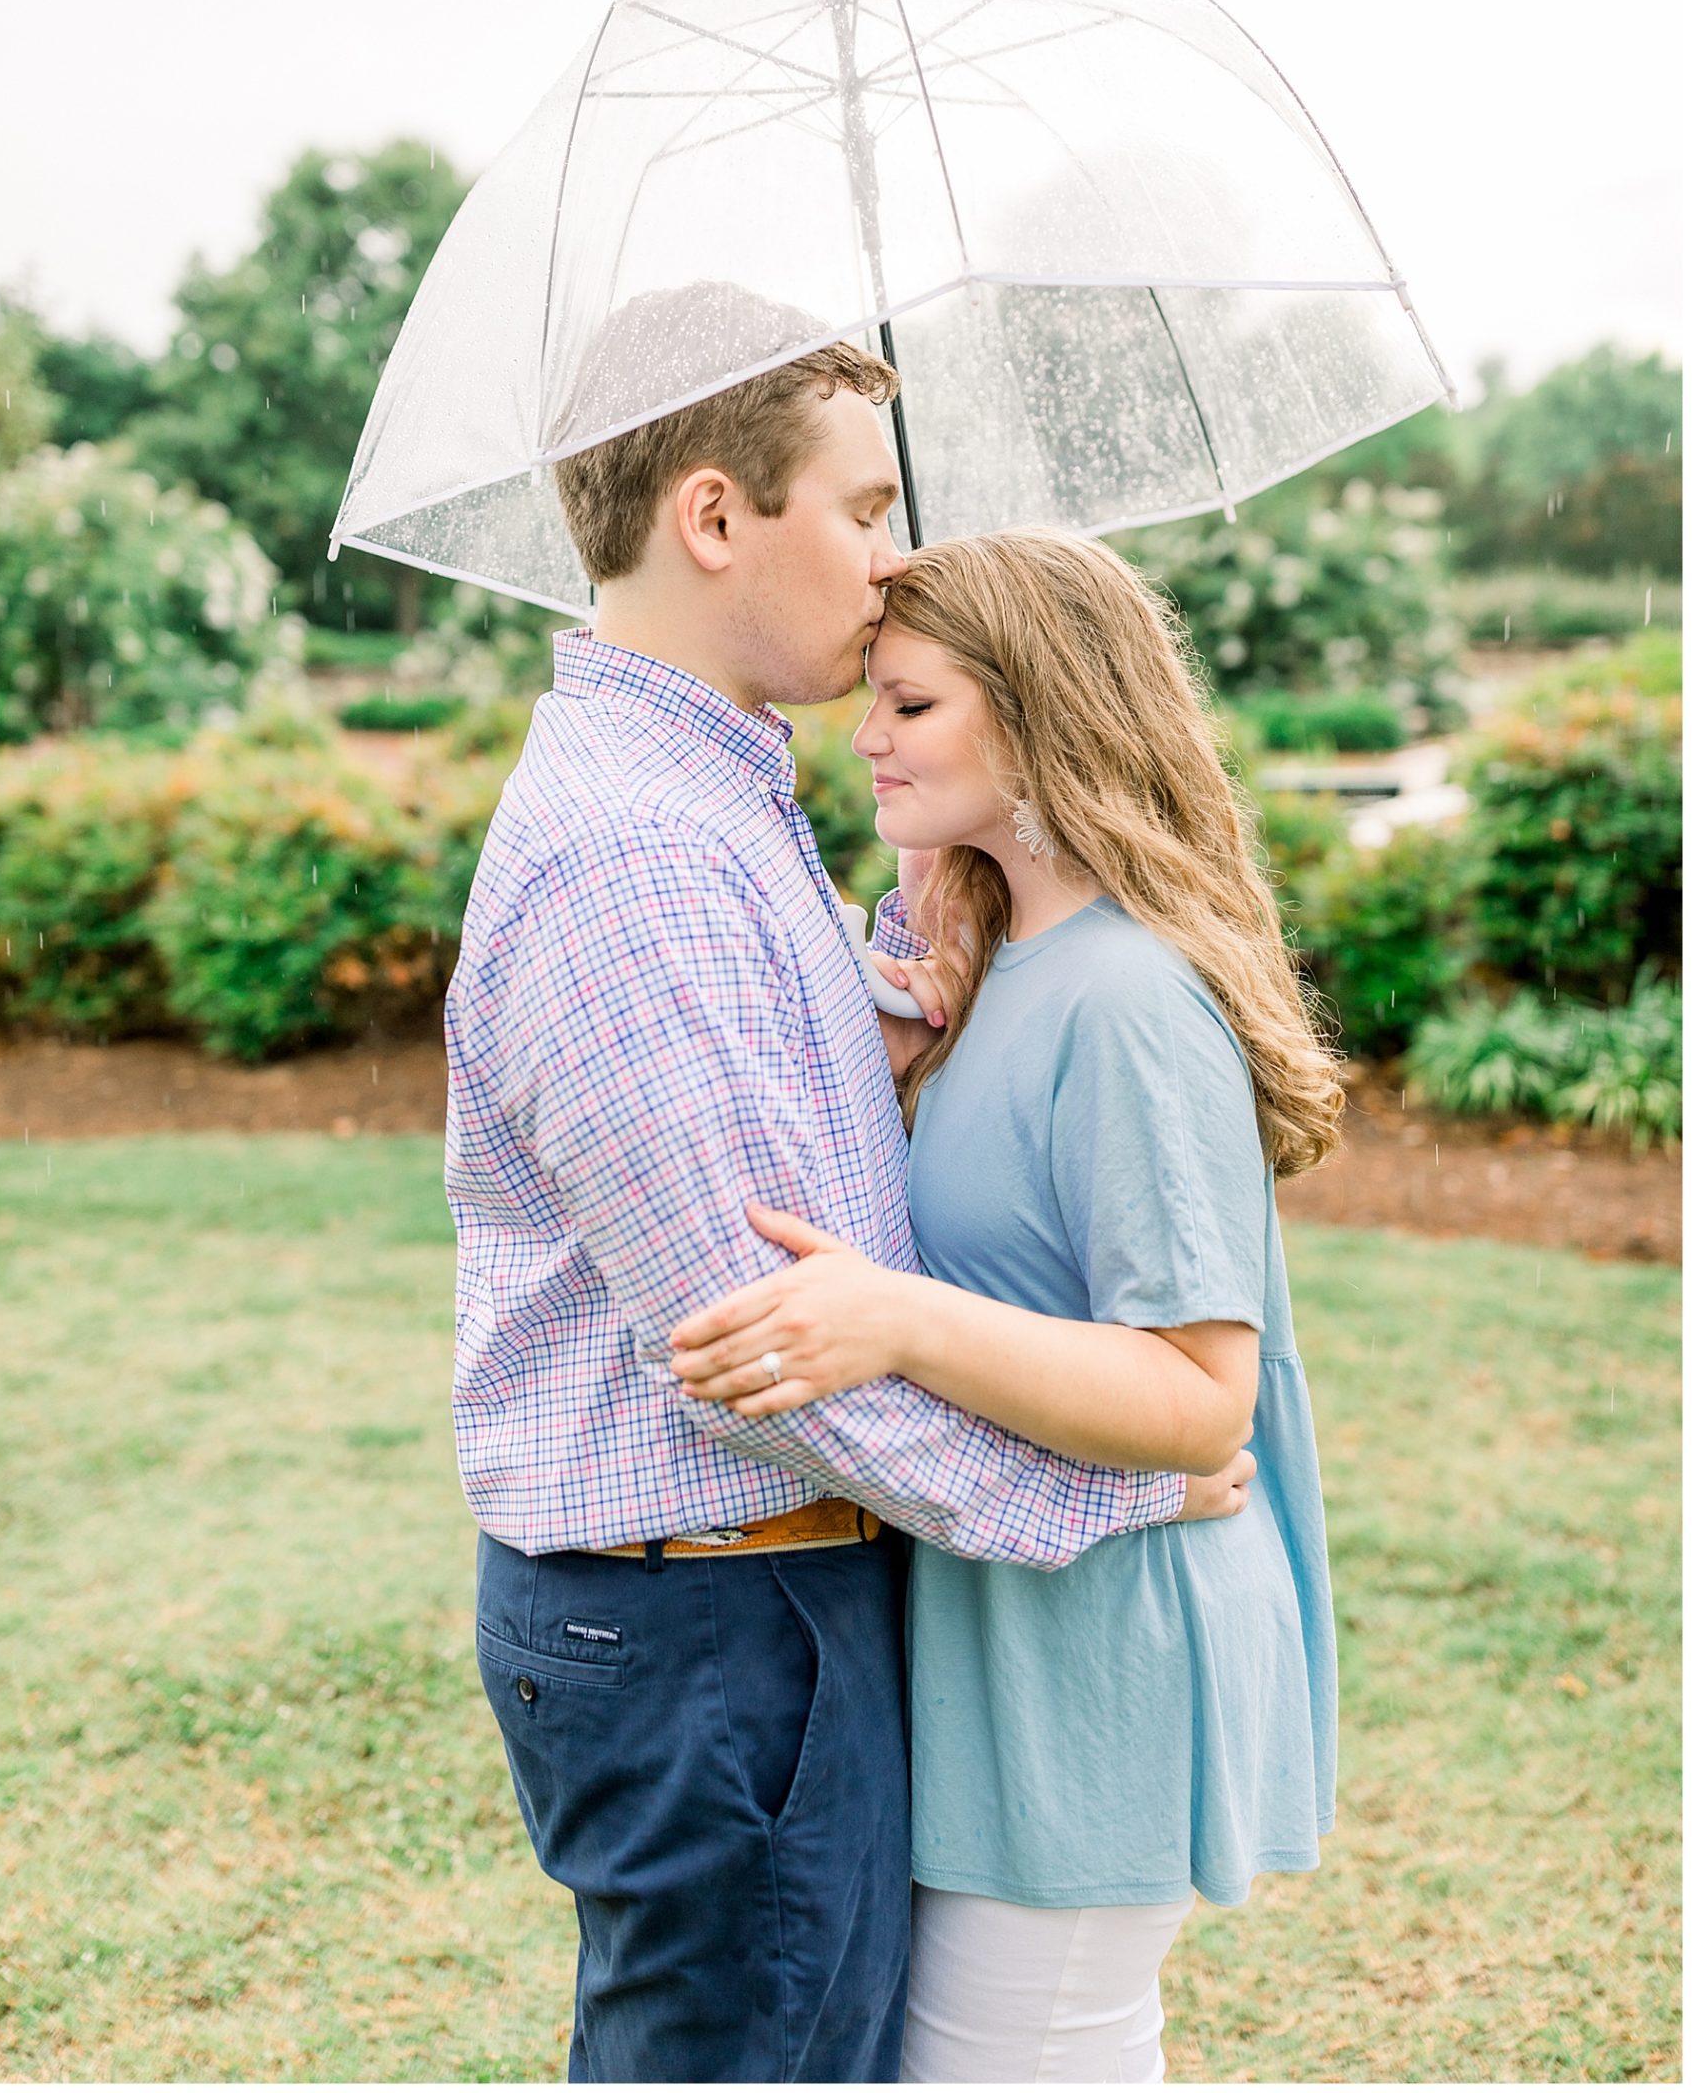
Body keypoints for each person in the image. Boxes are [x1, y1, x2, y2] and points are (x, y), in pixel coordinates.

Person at [444, 290, 1251, 2086]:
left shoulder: (715, 803)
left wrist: (918, 959)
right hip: (713, 1609)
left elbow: (800, 1102)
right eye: (867, 506)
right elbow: (769, 1350)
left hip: (747, 1601)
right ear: (716, 517)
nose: (894, 563)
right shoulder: (634, 859)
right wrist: (1106, 1495)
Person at [671, 528, 1342, 2085]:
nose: (863, 737)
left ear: (1038, 713)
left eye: (909, 704)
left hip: (1096, 1655)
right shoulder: (1015, 969)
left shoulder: (1124, 1002)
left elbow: (1197, 1396)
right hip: (1015, 1631)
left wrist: (892, 1319)